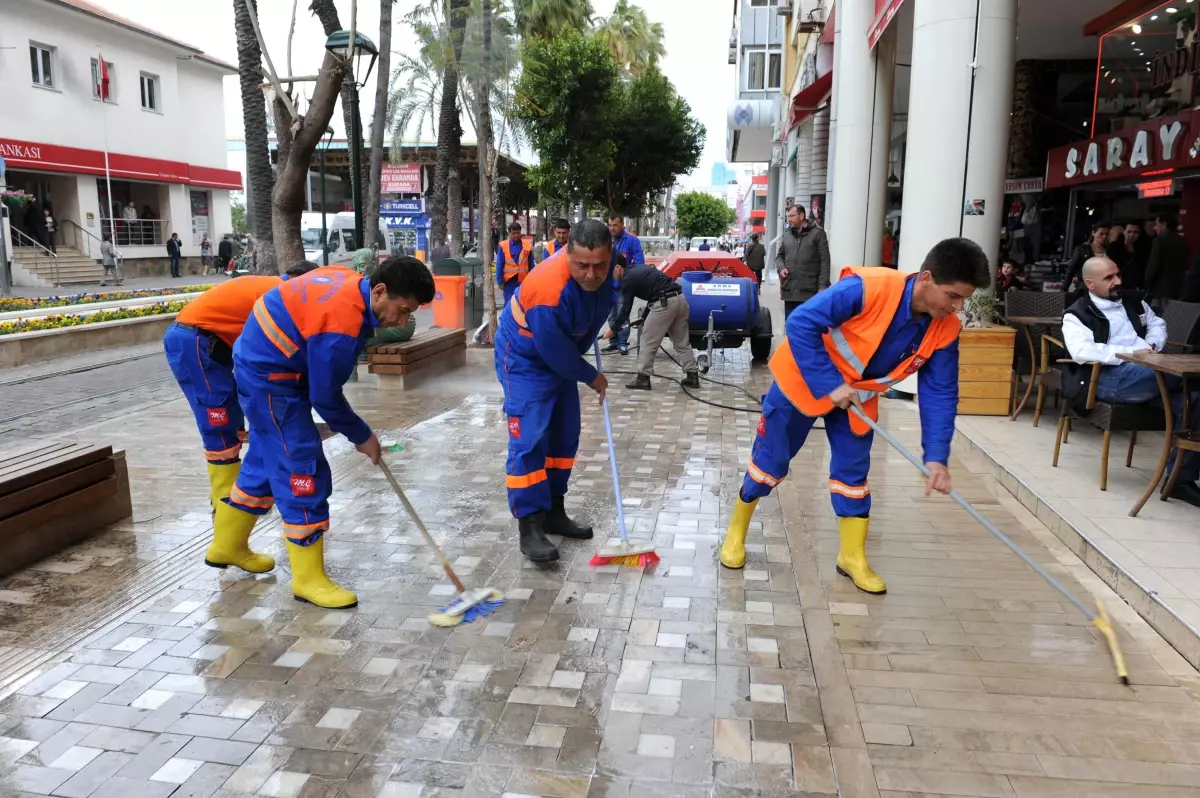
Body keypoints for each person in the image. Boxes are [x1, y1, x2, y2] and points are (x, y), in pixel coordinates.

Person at [717, 238, 991, 592]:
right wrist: (829, 382)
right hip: (804, 378)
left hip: (857, 400)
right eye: (953, 296)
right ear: (926, 278)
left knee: (853, 472)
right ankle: (737, 531)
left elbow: (939, 392)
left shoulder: (945, 328)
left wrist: (936, 457)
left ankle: (852, 556)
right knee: (770, 461)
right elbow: (801, 322)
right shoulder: (869, 287)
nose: (958, 307)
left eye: (963, 299)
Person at [223, 258, 435, 607]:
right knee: (301, 465)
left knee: (264, 461)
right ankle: (308, 579)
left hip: (265, 364)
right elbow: (326, 398)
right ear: (379, 291)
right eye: (401, 310)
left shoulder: (353, 284)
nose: (401, 321)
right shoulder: (342, 325)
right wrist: (363, 436)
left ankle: (227, 544)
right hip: (271, 379)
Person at [164, 260, 320, 573]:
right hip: (197, 344)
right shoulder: (282, 294)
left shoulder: (276, 288)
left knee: (229, 431)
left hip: (204, 345)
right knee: (221, 435)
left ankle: (229, 536)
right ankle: (225, 535)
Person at [495, 219, 614, 564]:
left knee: (564, 436)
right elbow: (553, 350)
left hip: (562, 354)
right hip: (525, 358)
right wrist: (591, 376)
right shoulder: (548, 289)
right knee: (530, 439)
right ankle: (530, 526)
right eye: (582, 266)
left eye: (599, 265)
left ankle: (553, 511)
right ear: (567, 254)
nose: (592, 274)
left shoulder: (609, 268)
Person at [1061, 256, 1200, 507]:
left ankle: (1180, 480)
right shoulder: (1077, 313)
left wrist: (1153, 344)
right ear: (1090, 284)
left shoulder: (1134, 301)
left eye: (1117, 275)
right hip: (1107, 378)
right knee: (1171, 372)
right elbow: (1081, 352)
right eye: (1109, 278)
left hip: (1148, 373)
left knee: (1195, 400)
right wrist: (1129, 354)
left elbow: (1158, 324)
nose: (1117, 281)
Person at [604, 254, 700, 390]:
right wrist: (643, 317)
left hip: (664, 304)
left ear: (618, 268)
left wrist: (613, 329)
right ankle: (692, 375)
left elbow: (625, 310)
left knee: (647, 340)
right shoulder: (639, 269)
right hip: (680, 300)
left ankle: (643, 378)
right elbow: (653, 293)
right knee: (682, 342)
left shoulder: (627, 279)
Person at [778, 203, 832, 319]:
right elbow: (779, 256)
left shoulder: (818, 233)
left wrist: (822, 287)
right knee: (791, 326)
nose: (789, 219)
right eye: (788, 216)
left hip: (809, 293)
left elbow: (825, 261)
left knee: (807, 328)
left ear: (801, 216)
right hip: (789, 291)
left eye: (792, 216)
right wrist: (781, 268)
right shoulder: (787, 235)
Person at [602, 214, 645, 355]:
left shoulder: (632, 240)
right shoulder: (606, 240)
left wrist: (626, 273)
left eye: (615, 225)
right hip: (608, 285)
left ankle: (623, 343)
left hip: (624, 284)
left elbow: (639, 263)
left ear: (622, 225)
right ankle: (613, 342)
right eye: (610, 225)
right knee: (610, 315)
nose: (612, 228)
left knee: (623, 313)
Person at [1145, 214, 1190, 306]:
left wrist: (1147, 283)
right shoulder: (1183, 241)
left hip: (1160, 291)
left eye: (1156, 224)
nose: (1155, 228)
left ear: (1164, 224)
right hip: (1178, 289)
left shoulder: (1159, 241)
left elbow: (1153, 266)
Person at [1061, 221, 1110, 294]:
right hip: (1085, 289)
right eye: (1101, 234)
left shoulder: (1110, 251)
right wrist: (1064, 288)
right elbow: (1071, 269)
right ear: (1093, 233)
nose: (1104, 237)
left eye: (1107, 234)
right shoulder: (1082, 250)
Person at [496, 222, 534, 306]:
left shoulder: (527, 245)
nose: (516, 235)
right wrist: (500, 281)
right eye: (513, 233)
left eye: (518, 233)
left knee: (523, 304)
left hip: (524, 280)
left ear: (520, 232)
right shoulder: (503, 245)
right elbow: (499, 264)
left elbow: (531, 264)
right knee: (509, 304)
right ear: (509, 233)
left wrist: (533, 279)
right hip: (509, 281)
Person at [1118, 220, 1148, 291]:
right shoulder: (1115, 247)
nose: (1132, 235)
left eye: (1135, 232)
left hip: (1136, 286)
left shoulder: (1144, 249)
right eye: (1129, 232)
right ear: (1124, 232)